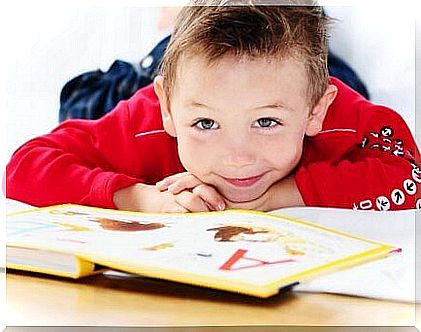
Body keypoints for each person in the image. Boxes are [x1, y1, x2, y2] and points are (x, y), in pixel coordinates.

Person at [6, 1, 420, 212]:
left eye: (266, 121)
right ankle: (178, 20)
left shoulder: (334, 112)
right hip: (159, 69)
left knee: (336, 71)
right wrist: (142, 199)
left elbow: (411, 177)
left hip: (310, 65)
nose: (237, 158)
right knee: (93, 97)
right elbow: (24, 166)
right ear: (169, 109)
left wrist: (281, 195)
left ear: (316, 111)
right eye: (205, 123)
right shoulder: (150, 114)